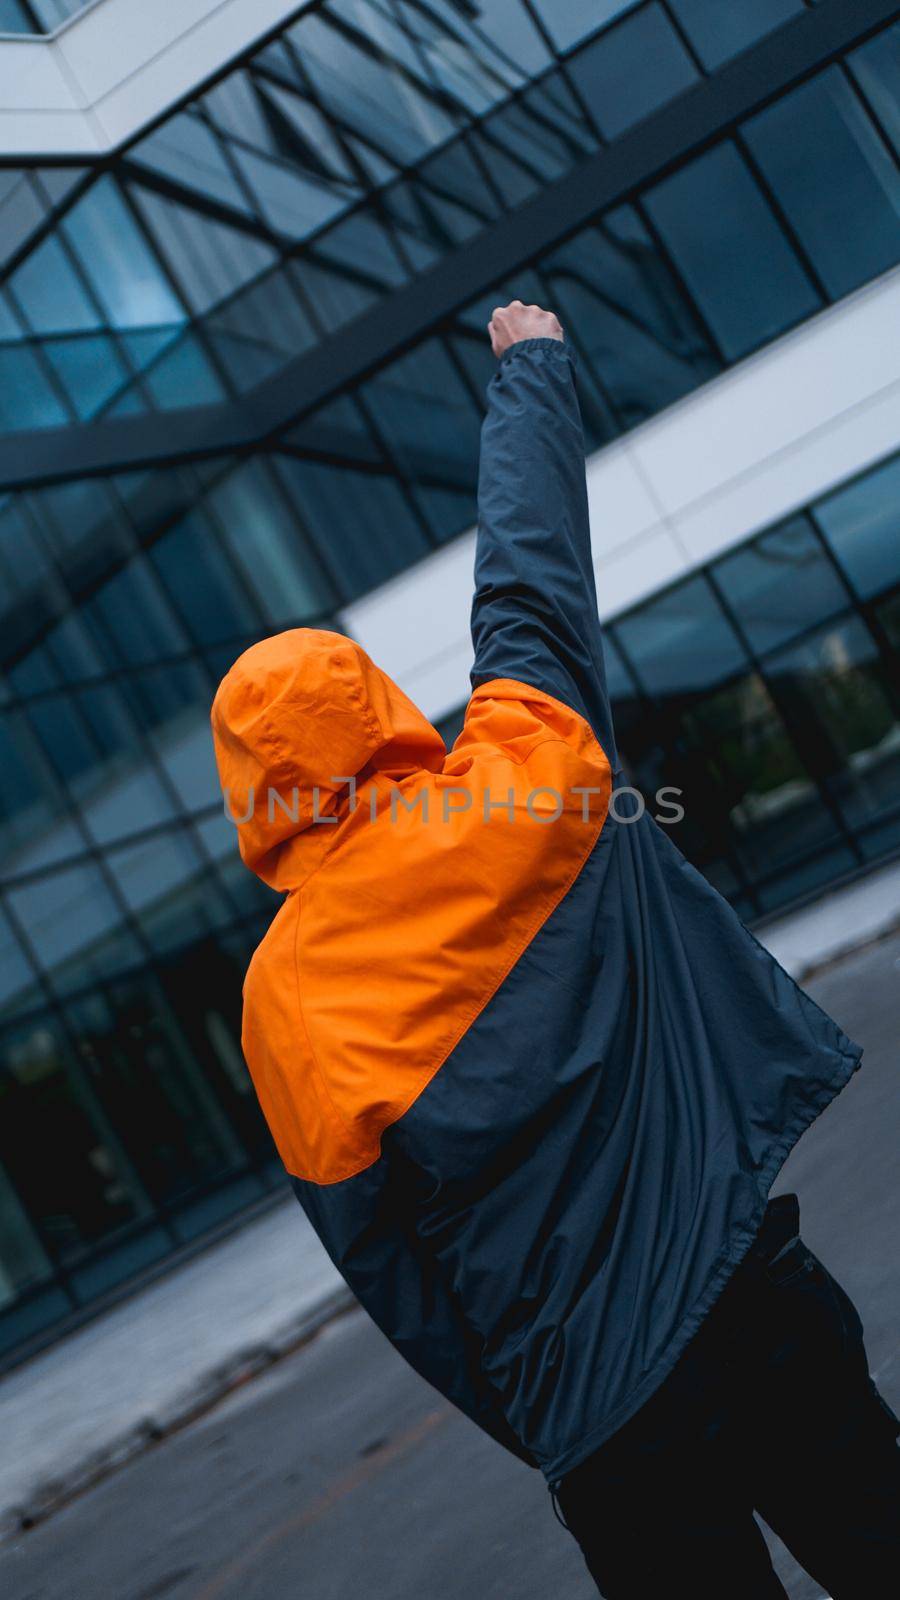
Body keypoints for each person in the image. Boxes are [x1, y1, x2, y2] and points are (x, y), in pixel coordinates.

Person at [210, 301, 899, 1597]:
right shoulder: (534, 763)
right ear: (377, 705)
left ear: (252, 792)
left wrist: (547, 1410)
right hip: (750, 1295)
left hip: (601, 1419)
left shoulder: (282, 1001)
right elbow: (529, 567)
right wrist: (533, 363)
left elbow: (395, 1280)